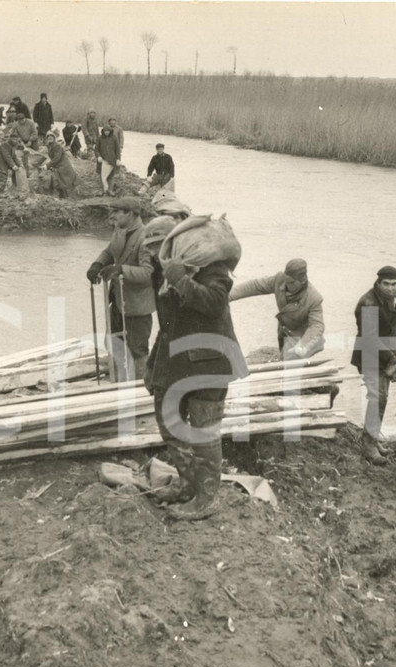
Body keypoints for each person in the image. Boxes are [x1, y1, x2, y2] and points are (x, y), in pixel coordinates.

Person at [144, 215, 247, 521]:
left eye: (155, 247)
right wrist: (154, 367)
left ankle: (206, 498)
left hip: (210, 363)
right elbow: (167, 326)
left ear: (173, 245)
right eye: (149, 248)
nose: (151, 254)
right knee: (169, 421)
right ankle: (188, 483)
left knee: (205, 432)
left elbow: (215, 303)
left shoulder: (212, 271)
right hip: (176, 362)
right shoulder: (161, 273)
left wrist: (181, 280)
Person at [85, 197, 154, 381]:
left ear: (130, 214)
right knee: (113, 343)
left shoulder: (145, 237)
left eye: (116, 212)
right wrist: (98, 263)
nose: (112, 215)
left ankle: (141, 389)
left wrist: (120, 269)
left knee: (137, 350)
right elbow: (110, 251)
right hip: (118, 299)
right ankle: (117, 385)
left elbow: (148, 272)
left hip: (137, 306)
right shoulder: (120, 230)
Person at [351, 265, 396, 466]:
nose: (391, 288)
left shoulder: (393, 299)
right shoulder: (368, 303)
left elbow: (391, 322)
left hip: (387, 354)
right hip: (369, 355)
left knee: (381, 398)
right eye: (386, 284)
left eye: (394, 284)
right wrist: (392, 358)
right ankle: (368, 445)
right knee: (377, 397)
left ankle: (372, 438)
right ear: (378, 282)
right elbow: (369, 337)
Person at [229, 259, 324, 360]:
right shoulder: (280, 279)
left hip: (302, 338)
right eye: (286, 281)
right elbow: (255, 286)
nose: (287, 285)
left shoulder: (314, 298)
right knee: (283, 360)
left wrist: (303, 346)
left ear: (303, 280)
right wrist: (227, 296)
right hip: (284, 333)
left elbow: (317, 326)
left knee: (292, 363)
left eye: (291, 283)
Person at [0, 133, 30, 199]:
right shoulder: (4, 145)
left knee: (15, 172)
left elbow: (13, 157)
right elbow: (7, 156)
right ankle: (0, 193)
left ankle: (15, 187)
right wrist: (13, 165)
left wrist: (19, 164)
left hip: (5, 163)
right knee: (3, 177)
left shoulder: (14, 146)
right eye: (13, 138)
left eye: (16, 139)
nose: (15, 140)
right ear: (10, 138)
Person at [45, 132, 77, 199]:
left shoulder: (57, 146)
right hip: (58, 165)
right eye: (48, 137)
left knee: (63, 181)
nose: (50, 138)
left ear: (54, 138)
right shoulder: (49, 146)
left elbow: (57, 158)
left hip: (64, 166)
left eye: (52, 137)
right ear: (46, 139)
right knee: (60, 181)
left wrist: (47, 165)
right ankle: (63, 196)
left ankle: (65, 197)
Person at [96, 125, 121, 196]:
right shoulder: (100, 138)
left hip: (112, 160)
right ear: (103, 131)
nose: (106, 133)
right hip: (102, 160)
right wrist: (98, 156)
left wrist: (118, 159)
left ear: (110, 131)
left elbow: (117, 150)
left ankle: (110, 190)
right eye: (105, 131)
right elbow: (96, 149)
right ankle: (103, 190)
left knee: (111, 176)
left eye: (108, 131)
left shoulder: (114, 138)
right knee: (101, 175)